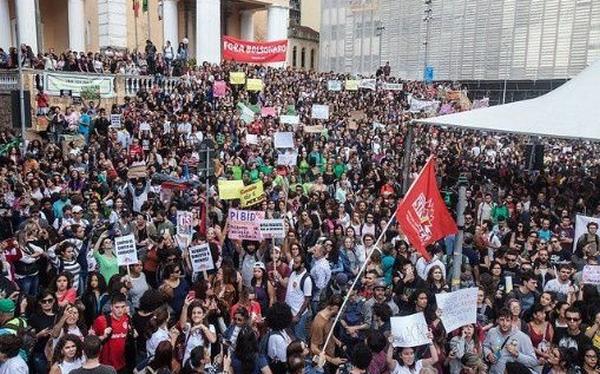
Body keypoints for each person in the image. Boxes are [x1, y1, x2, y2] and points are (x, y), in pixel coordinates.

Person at [482, 308, 539, 373]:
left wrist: (517, 354)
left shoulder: (523, 337)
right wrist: (488, 354)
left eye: (508, 320)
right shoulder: (492, 332)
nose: (504, 323)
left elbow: (533, 361)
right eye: (502, 320)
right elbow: (485, 346)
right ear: (497, 320)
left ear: (512, 321)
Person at [92, 293, 131, 373]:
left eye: (123, 307)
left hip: (122, 365)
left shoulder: (127, 319)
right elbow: (91, 341)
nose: (120, 310)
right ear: (111, 307)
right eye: (117, 307)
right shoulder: (101, 320)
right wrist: (103, 336)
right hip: (105, 366)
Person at [285, 253, 312, 343]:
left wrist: (298, 315)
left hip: (299, 315)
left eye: (296, 263)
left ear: (302, 264)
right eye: (294, 262)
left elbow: (307, 299)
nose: (294, 265)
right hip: (289, 312)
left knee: (300, 339)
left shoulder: (306, 279)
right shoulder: (293, 273)